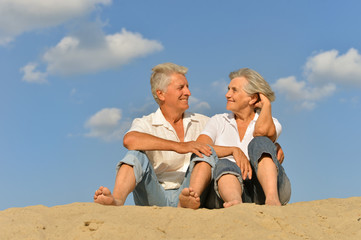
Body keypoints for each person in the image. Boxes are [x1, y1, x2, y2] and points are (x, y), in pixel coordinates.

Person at [93, 63, 218, 207]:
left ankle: (187, 203)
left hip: (193, 195)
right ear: (161, 94)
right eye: (181, 88)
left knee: (206, 152)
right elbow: (129, 140)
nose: (188, 92)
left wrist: (234, 150)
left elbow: (218, 151)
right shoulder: (146, 123)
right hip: (155, 195)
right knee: (135, 155)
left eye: (187, 86)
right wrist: (178, 146)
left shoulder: (204, 122)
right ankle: (116, 202)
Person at [181, 68, 291, 209]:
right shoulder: (218, 120)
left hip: (263, 190)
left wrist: (266, 105)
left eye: (234, 90)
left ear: (252, 98)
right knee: (225, 163)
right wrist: (232, 150)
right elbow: (200, 146)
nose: (227, 94)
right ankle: (235, 203)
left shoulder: (272, 122)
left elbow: (261, 133)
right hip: (227, 189)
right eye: (228, 89)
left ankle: (272, 199)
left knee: (260, 142)